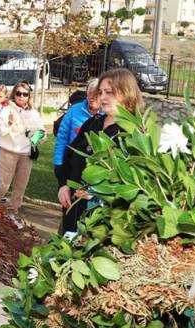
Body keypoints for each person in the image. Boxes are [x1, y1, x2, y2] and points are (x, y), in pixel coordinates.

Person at [57, 68, 144, 234]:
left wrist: (98, 197)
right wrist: (63, 185)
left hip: (101, 225)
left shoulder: (132, 134)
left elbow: (132, 187)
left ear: (127, 93)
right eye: (101, 92)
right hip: (72, 211)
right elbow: (69, 155)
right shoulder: (93, 123)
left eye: (109, 92)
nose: (102, 97)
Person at [0, 82, 46, 228]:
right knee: (3, 185)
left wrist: (34, 136)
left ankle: (13, 212)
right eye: (18, 93)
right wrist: (8, 124)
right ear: (14, 94)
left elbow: (43, 135)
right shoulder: (7, 110)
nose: (21, 96)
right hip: (8, 152)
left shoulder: (33, 113)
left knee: (20, 187)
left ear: (29, 96)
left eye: (25, 94)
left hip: (25, 155)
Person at [53, 79, 100, 233]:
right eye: (90, 93)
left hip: (91, 178)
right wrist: (60, 171)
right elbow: (61, 140)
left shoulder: (105, 118)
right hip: (71, 171)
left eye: (96, 94)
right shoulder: (75, 110)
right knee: (68, 211)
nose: (92, 97)